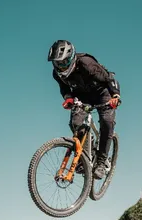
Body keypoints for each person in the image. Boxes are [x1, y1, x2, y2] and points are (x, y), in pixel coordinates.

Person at [47, 40, 121, 179]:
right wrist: (68, 98)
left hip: (102, 94)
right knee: (76, 123)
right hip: (82, 96)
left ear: (71, 57)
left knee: (106, 121)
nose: (60, 67)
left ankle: (101, 161)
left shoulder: (87, 64)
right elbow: (64, 89)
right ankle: (84, 155)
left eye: (63, 63)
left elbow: (109, 78)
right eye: (57, 63)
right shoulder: (56, 74)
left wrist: (115, 95)